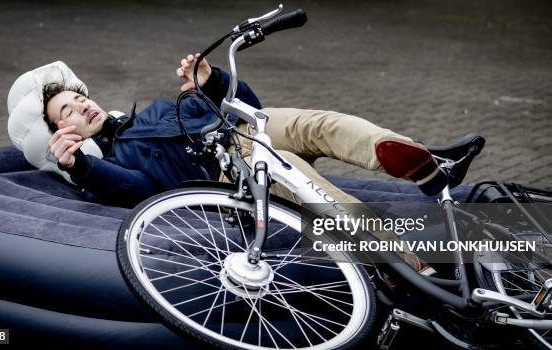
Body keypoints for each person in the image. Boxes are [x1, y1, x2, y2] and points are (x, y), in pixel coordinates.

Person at [42, 54, 446, 274]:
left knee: (314, 123)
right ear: (62, 132)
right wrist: (81, 166)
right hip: (227, 169)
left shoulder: (157, 110)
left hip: (246, 129)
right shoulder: (111, 162)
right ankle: (408, 263)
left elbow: (248, 107)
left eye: (79, 98)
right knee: (284, 166)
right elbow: (137, 191)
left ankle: (416, 161)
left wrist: (212, 80)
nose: (80, 105)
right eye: (67, 110)